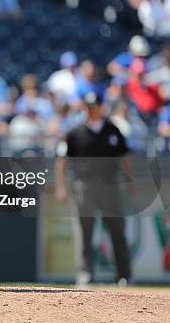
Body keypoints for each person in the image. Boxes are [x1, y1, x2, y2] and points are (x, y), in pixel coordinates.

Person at [55, 92, 133, 286]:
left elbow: (125, 157)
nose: (92, 111)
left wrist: (129, 181)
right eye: (89, 107)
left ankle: (124, 275)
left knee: (117, 229)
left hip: (109, 185)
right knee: (85, 231)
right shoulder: (75, 133)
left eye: (95, 107)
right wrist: (61, 186)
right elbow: (62, 161)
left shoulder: (112, 130)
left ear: (101, 107)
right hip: (84, 186)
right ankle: (85, 274)